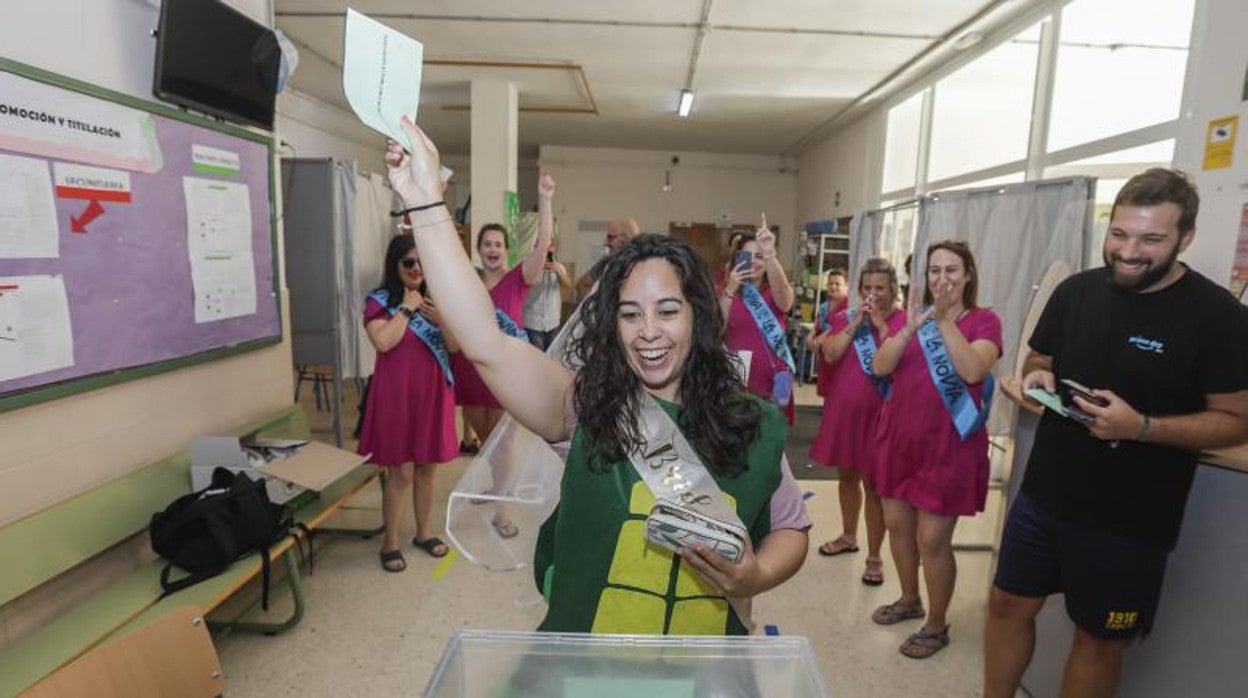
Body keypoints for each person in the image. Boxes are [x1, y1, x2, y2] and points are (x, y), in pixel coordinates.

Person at [384, 120, 810, 634]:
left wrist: (755, 575)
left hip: (704, 669)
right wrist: (426, 203)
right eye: (630, 314)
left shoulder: (754, 421)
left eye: (667, 310)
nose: (648, 332)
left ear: (698, 314)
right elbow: (485, 343)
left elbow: (790, 527)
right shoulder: (583, 406)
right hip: (586, 666)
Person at [984, 169, 1248, 697]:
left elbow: (1236, 420)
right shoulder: (1076, 291)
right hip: (1045, 494)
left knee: (1098, 639)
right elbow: (1042, 354)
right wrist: (1038, 371)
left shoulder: (1218, 317)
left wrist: (1142, 427)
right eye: (1120, 234)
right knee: (1007, 605)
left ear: (1185, 237)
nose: (1128, 251)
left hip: (1130, 517)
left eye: (1151, 239)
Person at [869, 240, 1002, 659]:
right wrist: (910, 327)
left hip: (948, 448)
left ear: (967, 276)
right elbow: (880, 366)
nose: (941, 278)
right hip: (900, 440)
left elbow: (972, 369)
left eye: (951, 270)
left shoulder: (984, 321)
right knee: (898, 525)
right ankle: (910, 599)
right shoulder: (913, 319)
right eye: (933, 271)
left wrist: (944, 321)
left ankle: (937, 623)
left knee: (933, 539)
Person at [357, 235, 459, 569]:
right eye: (408, 263)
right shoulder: (379, 300)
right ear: (395, 264)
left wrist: (442, 320)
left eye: (421, 262)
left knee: (428, 468)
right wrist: (407, 307)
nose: (416, 269)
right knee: (401, 472)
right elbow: (384, 342)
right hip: (397, 396)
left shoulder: (440, 300)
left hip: (432, 393)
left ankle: (424, 532)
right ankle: (390, 542)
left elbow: (456, 349)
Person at [808, 258, 904, 588]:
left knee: (874, 487)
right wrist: (856, 323)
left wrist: (879, 325)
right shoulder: (846, 317)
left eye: (880, 288)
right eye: (867, 288)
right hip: (846, 413)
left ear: (893, 290)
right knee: (846, 477)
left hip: (882, 417)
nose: (873, 295)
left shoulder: (905, 322)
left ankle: (875, 557)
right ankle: (849, 535)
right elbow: (832, 353)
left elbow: (899, 363)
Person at [451, 174, 555, 449]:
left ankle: (497, 489)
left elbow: (542, 245)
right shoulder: (469, 282)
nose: (492, 249)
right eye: (487, 244)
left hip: (505, 371)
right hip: (470, 368)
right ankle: (493, 488)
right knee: (486, 445)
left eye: (498, 244)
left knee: (502, 446)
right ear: (478, 250)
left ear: (507, 251)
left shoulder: (517, 280)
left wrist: (545, 200)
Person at [721, 225, 798, 423]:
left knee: (772, 437)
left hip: (776, 377)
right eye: (747, 256)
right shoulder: (723, 291)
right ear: (737, 259)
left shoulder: (774, 290)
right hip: (737, 379)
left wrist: (770, 252)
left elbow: (786, 302)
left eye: (759, 256)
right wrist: (730, 289)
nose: (754, 262)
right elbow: (715, 328)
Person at [522, 240, 572, 351]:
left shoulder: (559, 266)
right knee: (536, 359)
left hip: (553, 321)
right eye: (542, 247)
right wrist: (537, 268)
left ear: (553, 249)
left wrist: (558, 273)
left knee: (552, 356)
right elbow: (523, 285)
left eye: (550, 247)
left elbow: (568, 285)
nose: (546, 250)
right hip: (532, 322)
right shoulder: (528, 266)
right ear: (536, 248)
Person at [807, 267, 849, 395]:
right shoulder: (824, 307)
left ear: (846, 286)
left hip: (842, 359)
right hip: (825, 358)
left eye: (838, 284)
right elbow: (817, 326)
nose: (833, 287)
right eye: (831, 283)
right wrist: (811, 337)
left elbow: (840, 327)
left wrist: (821, 339)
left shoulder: (850, 307)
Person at [574, 218, 640, 301]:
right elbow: (582, 284)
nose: (605, 242)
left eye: (610, 237)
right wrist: (592, 309)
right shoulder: (607, 262)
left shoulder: (645, 264)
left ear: (627, 238)